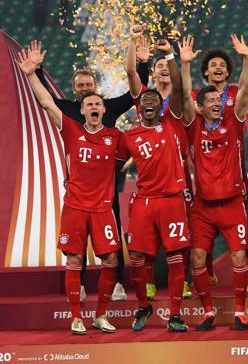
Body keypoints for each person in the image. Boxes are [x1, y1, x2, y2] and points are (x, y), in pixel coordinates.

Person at [17, 46, 129, 335]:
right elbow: (46, 102)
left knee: (111, 261)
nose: (93, 107)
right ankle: (77, 317)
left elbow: (137, 152)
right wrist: (31, 74)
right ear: (81, 110)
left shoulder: (115, 137)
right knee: (75, 260)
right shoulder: (71, 130)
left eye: (98, 104)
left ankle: (101, 316)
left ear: (104, 110)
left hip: (104, 209)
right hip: (76, 208)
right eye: (89, 104)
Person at [31, 40, 150, 302]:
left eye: (88, 85)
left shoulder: (105, 107)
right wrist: (36, 71)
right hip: (79, 188)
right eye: (80, 85)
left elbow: (135, 95)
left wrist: (144, 64)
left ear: (96, 89)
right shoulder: (70, 110)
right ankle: (80, 284)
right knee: (77, 241)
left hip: (107, 187)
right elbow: (46, 101)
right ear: (74, 90)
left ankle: (118, 282)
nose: (85, 89)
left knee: (114, 233)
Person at [180, 34, 248, 331]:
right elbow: (185, 97)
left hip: (233, 203)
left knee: (238, 254)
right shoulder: (193, 126)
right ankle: (208, 312)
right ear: (200, 105)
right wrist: (184, 65)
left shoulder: (232, 121)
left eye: (218, 99)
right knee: (197, 259)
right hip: (204, 206)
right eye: (208, 99)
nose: (215, 102)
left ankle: (239, 312)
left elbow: (246, 88)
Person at [123, 39, 190, 333]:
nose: (150, 103)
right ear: (139, 108)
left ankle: (175, 314)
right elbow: (111, 164)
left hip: (172, 200)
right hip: (144, 202)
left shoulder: (172, 120)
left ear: (159, 106)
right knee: (137, 257)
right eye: (145, 101)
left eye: (154, 101)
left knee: (176, 256)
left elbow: (176, 85)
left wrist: (170, 55)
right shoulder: (131, 136)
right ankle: (143, 307)